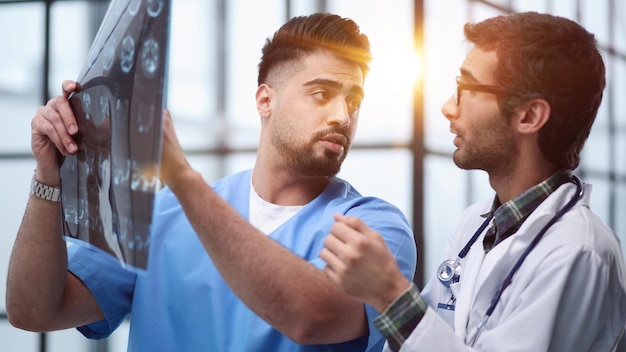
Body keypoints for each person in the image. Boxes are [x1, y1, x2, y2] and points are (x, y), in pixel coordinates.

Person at [6, 13, 417, 351]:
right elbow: (33, 310)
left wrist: (181, 176)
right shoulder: (161, 215)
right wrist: (48, 175)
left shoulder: (374, 231)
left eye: (354, 101)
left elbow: (312, 318)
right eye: (322, 93)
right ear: (265, 100)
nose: (343, 116)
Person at [321, 11, 626, 351]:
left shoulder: (579, 252)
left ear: (529, 116)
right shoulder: (475, 224)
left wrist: (390, 295)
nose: (448, 108)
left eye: (466, 89)